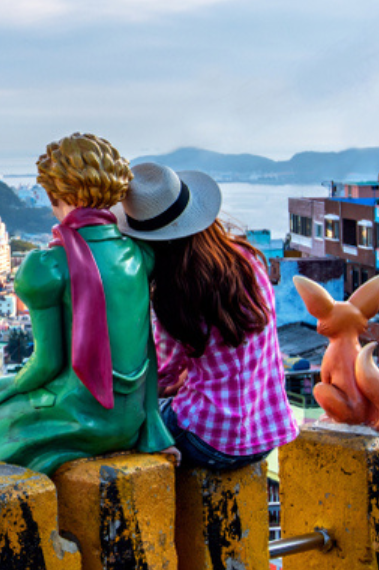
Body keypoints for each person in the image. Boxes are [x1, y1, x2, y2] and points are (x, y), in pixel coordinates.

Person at [0, 133, 175, 477]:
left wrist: (5, 386)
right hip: (131, 421)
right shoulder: (139, 255)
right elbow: (146, 349)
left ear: (55, 194)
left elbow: (47, 364)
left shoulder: (46, 266)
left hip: (79, 417)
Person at [112, 162, 298, 471]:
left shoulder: (175, 293)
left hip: (209, 440)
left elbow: (163, 376)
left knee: (132, 423)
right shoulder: (248, 261)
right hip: (266, 437)